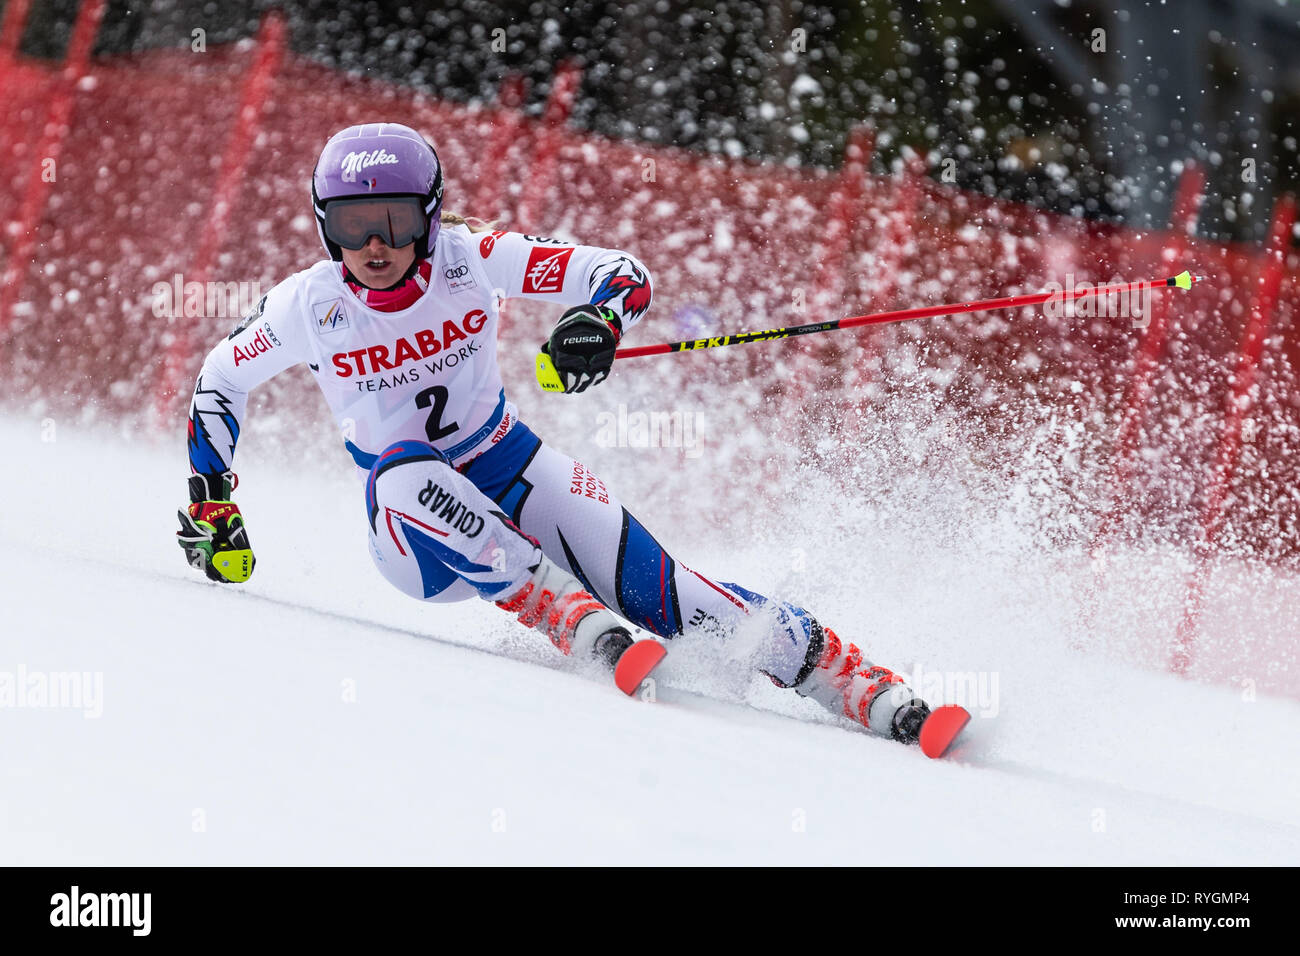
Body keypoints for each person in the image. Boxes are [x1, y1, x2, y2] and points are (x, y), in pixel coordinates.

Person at [177, 122, 932, 744]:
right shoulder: (306, 307)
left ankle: (851, 680)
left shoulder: (471, 260)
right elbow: (220, 381)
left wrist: (597, 321)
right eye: (351, 226)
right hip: (414, 536)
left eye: (396, 222)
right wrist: (213, 501)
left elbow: (622, 272)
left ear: (431, 217)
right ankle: (555, 609)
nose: (374, 246)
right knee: (406, 465)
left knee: (665, 594)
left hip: (509, 463)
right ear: (324, 225)